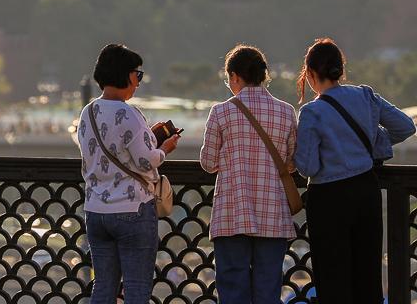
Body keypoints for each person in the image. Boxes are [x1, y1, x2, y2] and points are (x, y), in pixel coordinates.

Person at [294, 37, 415, 302]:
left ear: (311, 73)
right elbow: (405, 127)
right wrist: (373, 143)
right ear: (340, 69)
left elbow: (307, 166)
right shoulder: (366, 96)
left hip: (328, 199)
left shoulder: (311, 112)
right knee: (368, 274)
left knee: (333, 276)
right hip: (366, 191)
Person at [76, 43, 179, 304]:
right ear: (126, 75)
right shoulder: (128, 113)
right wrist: (164, 149)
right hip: (132, 210)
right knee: (136, 288)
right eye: (138, 75)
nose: (138, 82)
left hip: (96, 210)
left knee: (103, 288)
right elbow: (146, 162)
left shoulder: (87, 113)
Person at [199, 44, 296, 304]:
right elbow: (292, 162)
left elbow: (208, 163)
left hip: (232, 215)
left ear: (235, 76)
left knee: (232, 292)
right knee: (268, 291)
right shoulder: (286, 112)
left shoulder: (221, 112)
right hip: (273, 216)